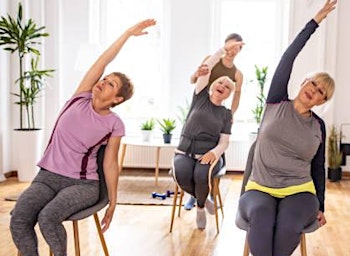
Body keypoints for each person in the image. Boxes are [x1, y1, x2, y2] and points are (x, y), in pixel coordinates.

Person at [9, 19, 156, 255]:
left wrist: (113, 201)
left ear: (117, 99)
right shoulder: (80, 97)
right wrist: (127, 33)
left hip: (82, 184)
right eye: (105, 79)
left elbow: (109, 163)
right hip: (46, 177)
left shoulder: (114, 124)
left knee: (48, 218)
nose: (103, 82)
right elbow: (103, 60)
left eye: (111, 84)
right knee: (19, 218)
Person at [237, 1, 337, 255]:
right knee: (261, 218)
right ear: (304, 82)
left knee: (288, 225)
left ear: (321, 102)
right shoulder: (275, 101)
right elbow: (288, 57)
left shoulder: (318, 126)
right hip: (260, 186)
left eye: (320, 93)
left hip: (299, 190)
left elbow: (318, 167)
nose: (313, 91)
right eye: (312, 84)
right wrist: (315, 22)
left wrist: (321, 205)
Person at [173, 40, 243, 229]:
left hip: (209, 153)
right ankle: (200, 197)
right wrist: (223, 50)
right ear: (212, 85)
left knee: (201, 176)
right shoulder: (200, 95)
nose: (223, 86)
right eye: (220, 82)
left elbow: (224, 142)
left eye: (228, 87)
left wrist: (214, 153)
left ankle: (201, 208)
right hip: (185, 150)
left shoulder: (226, 114)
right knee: (181, 175)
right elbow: (207, 67)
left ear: (228, 94)